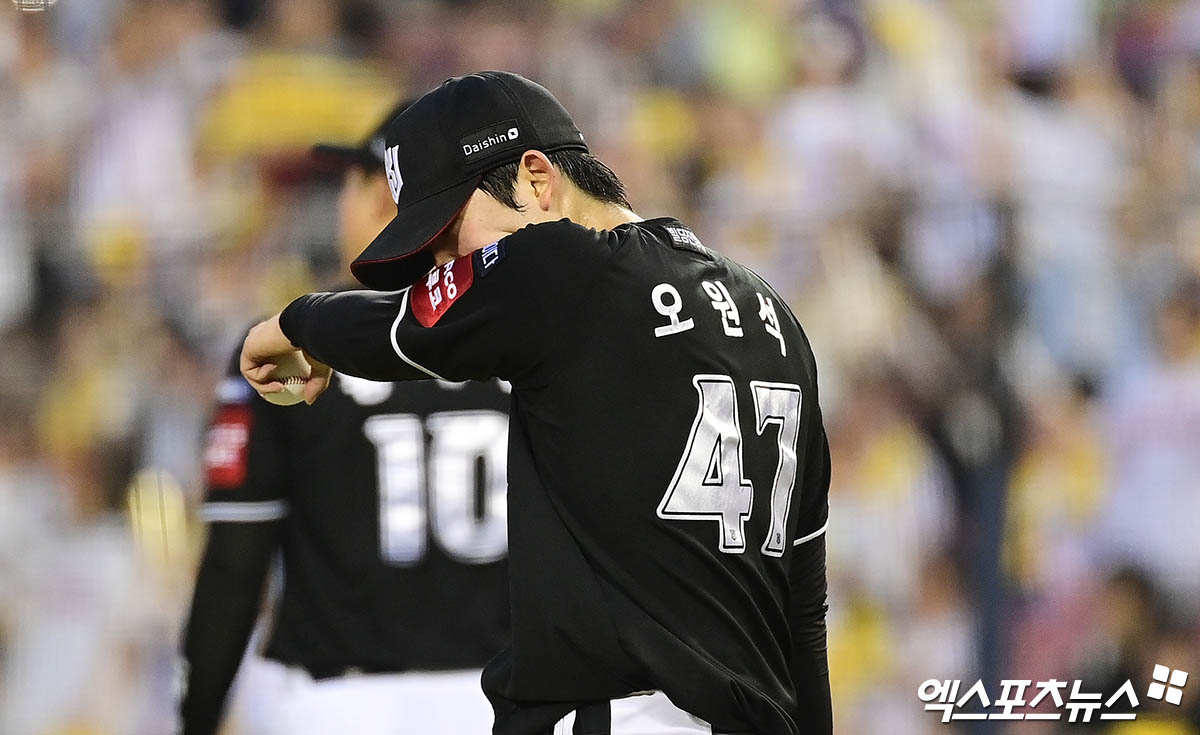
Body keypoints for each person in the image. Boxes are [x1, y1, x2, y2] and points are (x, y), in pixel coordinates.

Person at [241, 71, 832, 735]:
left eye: (450, 234)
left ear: (536, 179)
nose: (445, 268)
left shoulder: (559, 263)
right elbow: (803, 611)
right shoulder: (773, 317)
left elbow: (390, 330)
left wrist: (295, 323)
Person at [179, 100, 512, 735]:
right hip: (506, 700)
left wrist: (196, 718)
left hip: (339, 704)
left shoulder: (291, 343)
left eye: (349, 183)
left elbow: (234, 564)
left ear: (383, 196)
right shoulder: (536, 340)